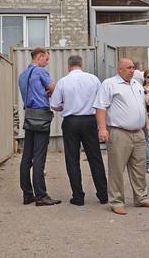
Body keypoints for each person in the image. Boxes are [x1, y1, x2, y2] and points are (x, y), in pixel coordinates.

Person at [94, 58, 149, 215]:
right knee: (117, 168)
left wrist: (147, 124)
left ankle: (141, 198)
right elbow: (100, 107)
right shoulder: (109, 84)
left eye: (133, 68)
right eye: (128, 68)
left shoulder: (136, 84)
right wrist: (102, 129)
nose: (132, 70)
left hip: (138, 132)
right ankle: (116, 201)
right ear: (119, 70)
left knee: (139, 167)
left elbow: (142, 106)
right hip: (118, 132)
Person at [50, 55, 108, 206]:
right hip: (90, 120)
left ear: (68, 65)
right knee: (95, 158)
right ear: (81, 64)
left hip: (71, 121)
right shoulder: (94, 79)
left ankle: (78, 196)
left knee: (72, 159)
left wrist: (65, 106)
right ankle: (103, 195)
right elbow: (101, 101)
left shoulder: (63, 81)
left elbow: (55, 105)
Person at [18, 47, 61, 206]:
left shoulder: (22, 75)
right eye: (46, 59)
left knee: (26, 157)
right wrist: (49, 90)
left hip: (29, 115)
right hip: (41, 115)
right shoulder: (41, 72)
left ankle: (27, 194)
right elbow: (54, 87)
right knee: (39, 157)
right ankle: (41, 196)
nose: (47, 62)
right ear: (39, 57)